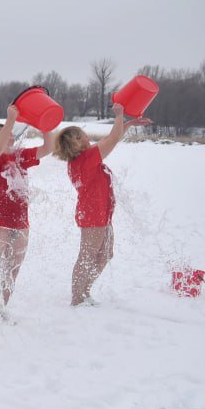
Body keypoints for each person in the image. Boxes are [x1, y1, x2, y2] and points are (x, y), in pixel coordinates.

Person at [54, 103, 149, 306]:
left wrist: (128, 124)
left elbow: (111, 140)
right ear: (77, 141)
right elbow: (111, 140)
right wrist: (120, 115)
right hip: (93, 214)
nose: (88, 138)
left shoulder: (82, 159)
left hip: (101, 213)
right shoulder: (85, 159)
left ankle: (84, 291)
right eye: (84, 135)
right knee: (87, 256)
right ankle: (77, 298)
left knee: (105, 254)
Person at [0, 106, 56, 326]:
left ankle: (1, 308)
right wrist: (10, 119)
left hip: (21, 223)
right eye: (3, 132)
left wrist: (44, 124)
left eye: (10, 130)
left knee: (12, 270)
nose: (10, 133)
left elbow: (48, 147)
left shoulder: (20, 156)